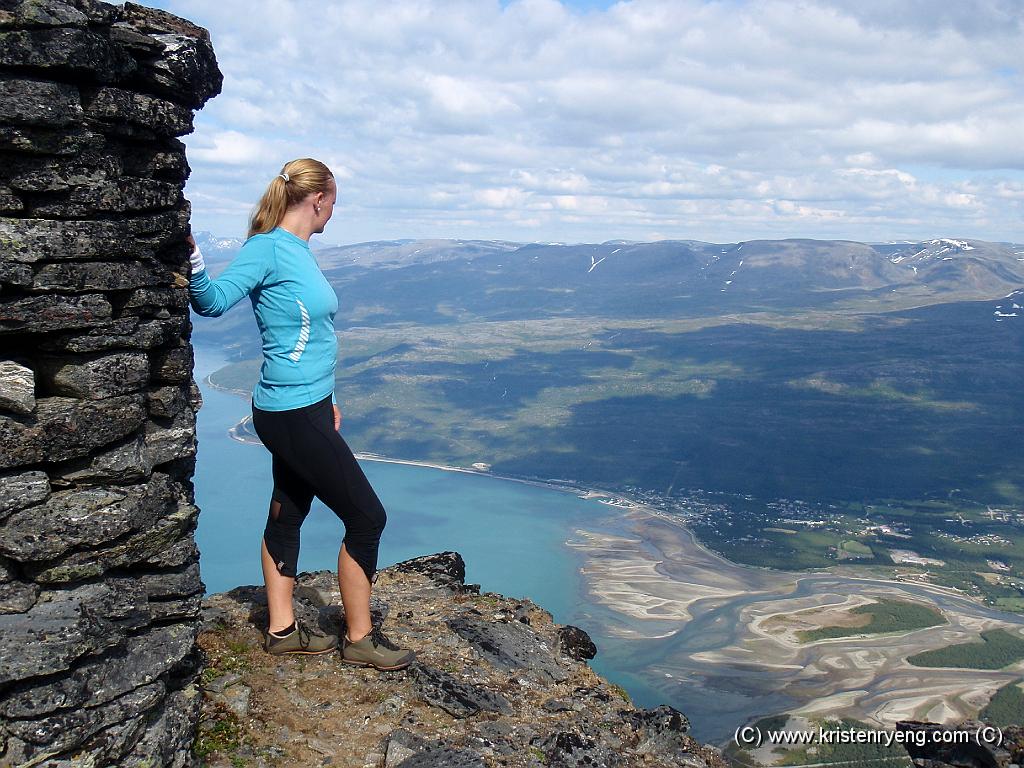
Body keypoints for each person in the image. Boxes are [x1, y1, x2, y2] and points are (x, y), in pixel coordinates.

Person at [187, 158, 415, 671]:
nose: (335, 213)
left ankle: (282, 631)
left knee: (287, 512)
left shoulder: (298, 250)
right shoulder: (267, 247)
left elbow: (311, 334)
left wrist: (327, 395)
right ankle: (359, 639)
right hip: (288, 411)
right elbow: (212, 302)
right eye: (334, 203)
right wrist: (194, 257)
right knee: (367, 518)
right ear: (317, 200)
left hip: (307, 405)